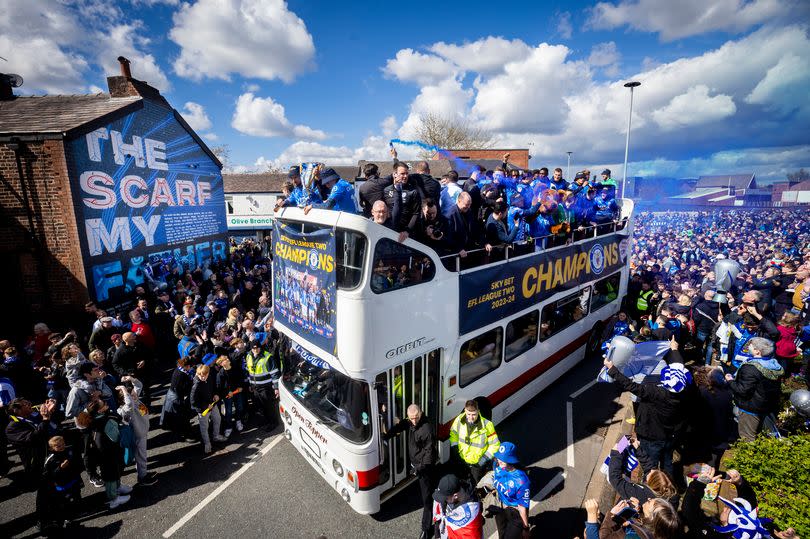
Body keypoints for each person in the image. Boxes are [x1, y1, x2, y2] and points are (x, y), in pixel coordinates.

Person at [603, 342, 690, 476]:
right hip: (669, 436)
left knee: (650, 466)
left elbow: (631, 386)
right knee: (667, 462)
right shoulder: (684, 393)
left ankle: (653, 487)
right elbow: (679, 365)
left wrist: (612, 369)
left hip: (651, 437)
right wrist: (674, 350)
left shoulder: (656, 393)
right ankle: (669, 483)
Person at [383, 404, 437, 539]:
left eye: (416, 418)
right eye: (411, 418)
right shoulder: (410, 421)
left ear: (421, 413)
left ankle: (426, 529)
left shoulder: (427, 430)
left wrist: (418, 469)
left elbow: (429, 455)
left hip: (424, 468)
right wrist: (387, 435)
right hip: (416, 463)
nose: (414, 421)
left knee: (427, 498)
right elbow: (402, 425)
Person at [725, 337, 784, 441]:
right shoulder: (774, 364)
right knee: (763, 431)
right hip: (766, 404)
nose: (748, 346)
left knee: (747, 436)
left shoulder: (751, 368)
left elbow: (742, 390)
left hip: (750, 407)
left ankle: (748, 453)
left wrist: (730, 381)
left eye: (751, 345)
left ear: (757, 351)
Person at [86, 399, 132, 508]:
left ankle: (118, 487)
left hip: (107, 452)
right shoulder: (103, 421)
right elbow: (115, 436)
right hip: (107, 453)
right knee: (110, 476)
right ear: (100, 410)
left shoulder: (96, 419)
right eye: (104, 405)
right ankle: (113, 499)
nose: (107, 404)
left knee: (114, 471)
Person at [449, 400, 500, 485]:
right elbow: (453, 434)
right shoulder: (459, 420)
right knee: (462, 484)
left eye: (474, 414)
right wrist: (455, 448)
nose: (471, 417)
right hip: (462, 461)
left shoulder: (487, 425)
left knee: (476, 487)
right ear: (465, 411)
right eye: (468, 414)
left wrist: (482, 460)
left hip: (477, 466)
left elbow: (495, 445)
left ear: (478, 412)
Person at [39, 435, 83, 533]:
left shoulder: (68, 451)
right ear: (51, 448)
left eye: (63, 444)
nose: (62, 447)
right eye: (58, 446)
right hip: (61, 486)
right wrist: (60, 468)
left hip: (73, 480)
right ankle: (67, 518)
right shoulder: (50, 459)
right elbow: (47, 475)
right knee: (64, 502)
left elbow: (76, 462)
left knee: (76, 496)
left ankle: (77, 511)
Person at [491, 442, 530, 539]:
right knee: (502, 534)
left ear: (511, 459)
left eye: (503, 459)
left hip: (515, 512)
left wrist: (525, 529)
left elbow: (522, 508)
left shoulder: (521, 481)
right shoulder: (497, 465)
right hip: (501, 508)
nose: (499, 460)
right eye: (499, 457)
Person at [432, 473, 484, 539]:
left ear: (455, 496)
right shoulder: (455, 488)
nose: (443, 501)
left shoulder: (471, 513)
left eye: (446, 498)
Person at [190, 364, 226, 454]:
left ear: (208, 373)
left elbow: (213, 388)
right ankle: (207, 444)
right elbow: (193, 402)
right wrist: (205, 407)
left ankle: (216, 436)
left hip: (212, 405)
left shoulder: (209, 378)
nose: (202, 377)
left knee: (217, 419)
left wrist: (216, 394)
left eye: (204, 375)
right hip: (203, 411)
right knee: (204, 427)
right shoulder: (196, 385)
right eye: (200, 375)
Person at [246, 339, 281, 430]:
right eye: (253, 348)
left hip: (266, 387)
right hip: (255, 387)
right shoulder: (249, 356)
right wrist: (250, 384)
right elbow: (249, 371)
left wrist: (276, 388)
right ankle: (265, 421)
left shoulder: (267, 357)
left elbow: (274, 373)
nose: (256, 349)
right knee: (259, 406)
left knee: (269, 406)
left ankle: (273, 423)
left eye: (257, 347)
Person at [383, 161, 422, 243]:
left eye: (407, 173)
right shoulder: (386, 190)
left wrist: (407, 231)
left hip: (406, 234)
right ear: (394, 174)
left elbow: (416, 213)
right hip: (389, 231)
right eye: (402, 173)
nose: (405, 176)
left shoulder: (413, 191)